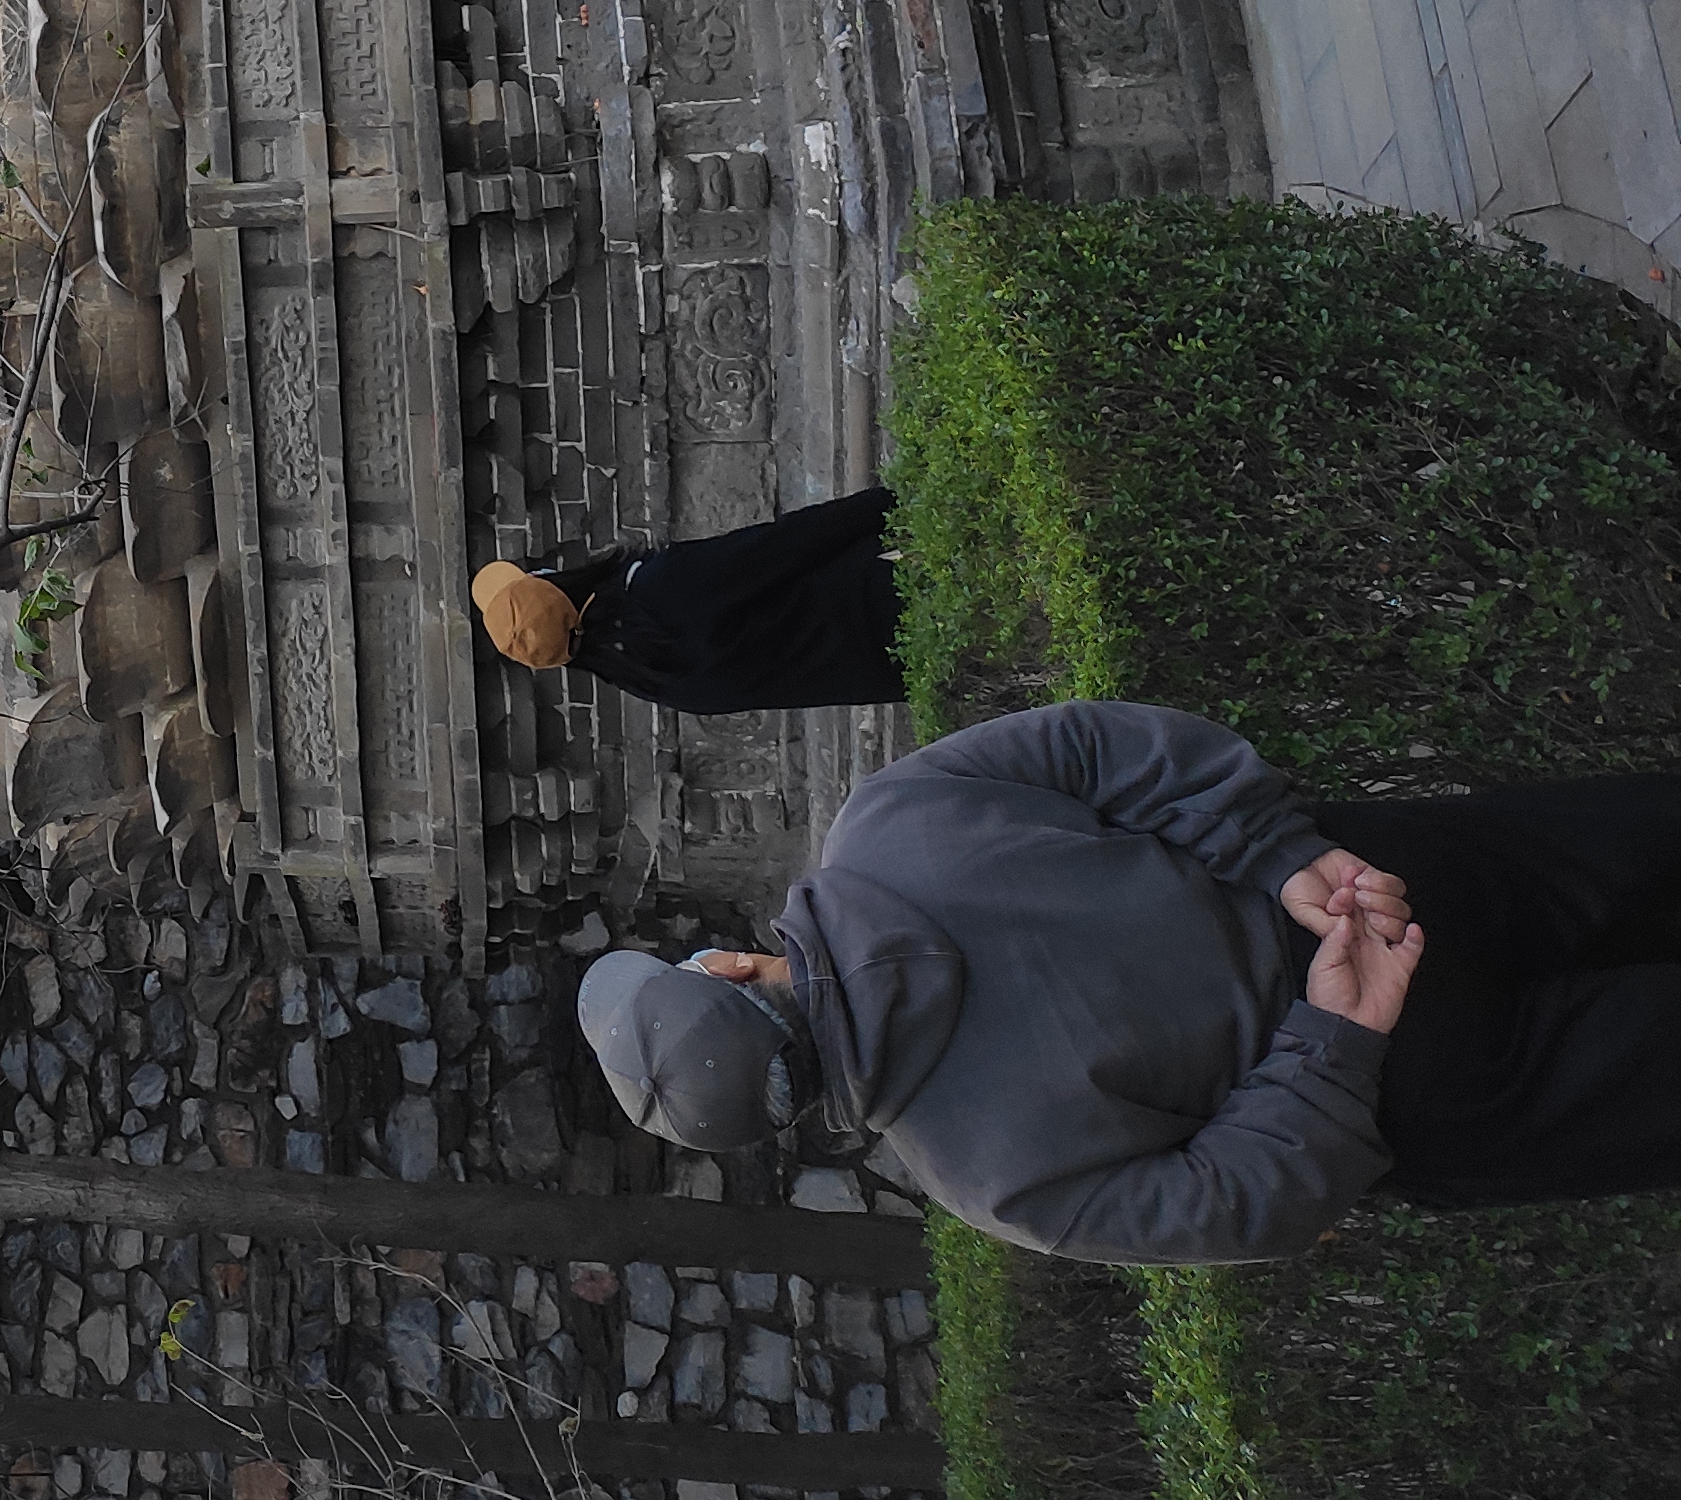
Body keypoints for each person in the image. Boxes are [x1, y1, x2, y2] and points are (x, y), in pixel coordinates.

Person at [574, 696, 1681, 1264]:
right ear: (725, 966)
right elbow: (1108, 748)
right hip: (1375, 887)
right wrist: (1279, 856)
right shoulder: (889, 820)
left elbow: (1242, 1208)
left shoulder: (990, 1182)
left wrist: (1332, 1039)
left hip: (1416, 1088)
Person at [471, 485, 904, 715]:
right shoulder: (658, 592)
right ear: (553, 583)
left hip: (904, 666)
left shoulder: (648, 678)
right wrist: (891, 502)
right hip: (893, 583)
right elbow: (783, 546)